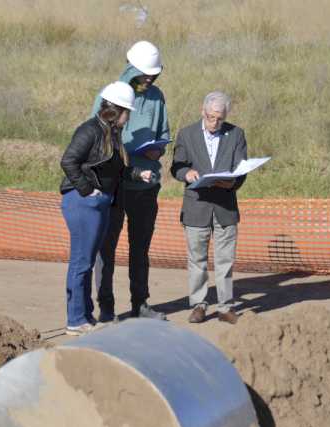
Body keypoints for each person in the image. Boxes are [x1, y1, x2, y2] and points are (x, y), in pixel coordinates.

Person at [59, 81, 155, 336]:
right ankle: (75, 319)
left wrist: (137, 173)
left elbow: (117, 168)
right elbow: (68, 161)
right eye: (127, 112)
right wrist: (88, 191)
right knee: (81, 262)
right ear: (116, 110)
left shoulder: (111, 134)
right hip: (83, 203)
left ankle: (85, 316)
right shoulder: (89, 131)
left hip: (101, 202)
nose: (129, 117)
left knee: (88, 262)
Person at [92, 41, 170, 322]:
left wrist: (156, 150)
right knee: (107, 250)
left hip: (146, 186)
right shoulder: (110, 94)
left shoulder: (158, 97)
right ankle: (107, 308)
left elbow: (164, 133)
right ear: (130, 68)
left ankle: (141, 304)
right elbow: (95, 134)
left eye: (153, 74)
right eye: (144, 74)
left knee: (140, 249)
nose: (149, 79)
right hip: (115, 186)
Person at [170, 91, 247, 325]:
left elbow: (241, 169)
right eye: (211, 117)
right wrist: (187, 173)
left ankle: (225, 307)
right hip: (196, 206)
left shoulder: (236, 134)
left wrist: (232, 181)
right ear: (203, 112)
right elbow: (176, 166)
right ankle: (199, 305)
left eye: (220, 118)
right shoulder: (186, 134)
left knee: (225, 260)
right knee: (197, 260)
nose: (215, 123)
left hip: (225, 207)